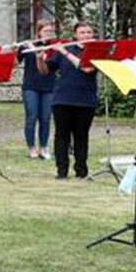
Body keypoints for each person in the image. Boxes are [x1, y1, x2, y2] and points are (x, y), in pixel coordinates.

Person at [47, 23, 102, 179]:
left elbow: (86, 68)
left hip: (85, 100)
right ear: (75, 35)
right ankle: (61, 171)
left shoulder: (95, 51)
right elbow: (46, 70)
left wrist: (63, 51)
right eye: (82, 32)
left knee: (81, 137)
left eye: (89, 32)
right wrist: (40, 58)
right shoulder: (66, 49)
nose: (86, 35)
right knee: (61, 136)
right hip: (62, 99)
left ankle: (81, 171)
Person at [18, 20, 59, 160]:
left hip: (49, 86)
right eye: (46, 31)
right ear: (38, 32)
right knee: (31, 116)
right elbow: (14, 62)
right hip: (30, 86)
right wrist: (15, 50)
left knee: (46, 118)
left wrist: (35, 49)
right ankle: (31, 148)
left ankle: (44, 147)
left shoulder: (55, 48)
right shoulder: (28, 45)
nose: (49, 34)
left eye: (51, 31)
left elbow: (48, 66)